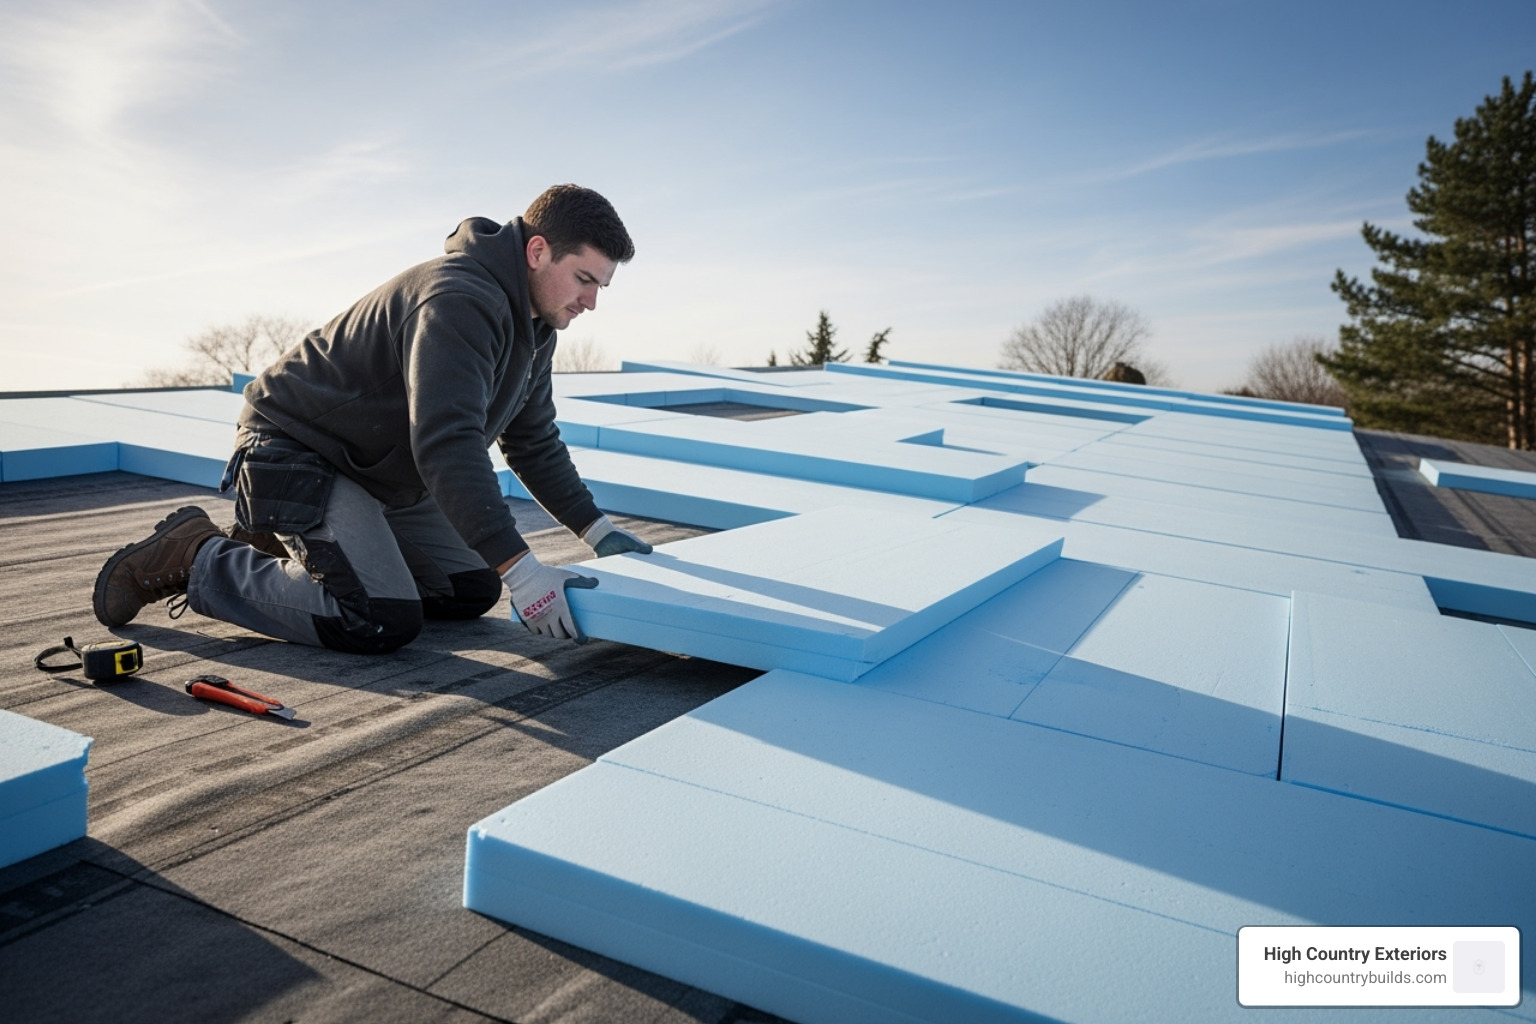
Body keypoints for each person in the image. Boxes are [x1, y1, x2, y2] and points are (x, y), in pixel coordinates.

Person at [93, 184, 651, 653]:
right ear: (536, 251)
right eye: (584, 279)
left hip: (374, 476)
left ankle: (301, 544)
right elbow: (447, 444)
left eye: (601, 286)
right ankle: (195, 555)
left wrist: (596, 531)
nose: (591, 302)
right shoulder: (459, 298)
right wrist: (526, 573)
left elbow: (532, 440)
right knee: (378, 616)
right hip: (294, 451)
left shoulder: (537, 327)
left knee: (470, 588)